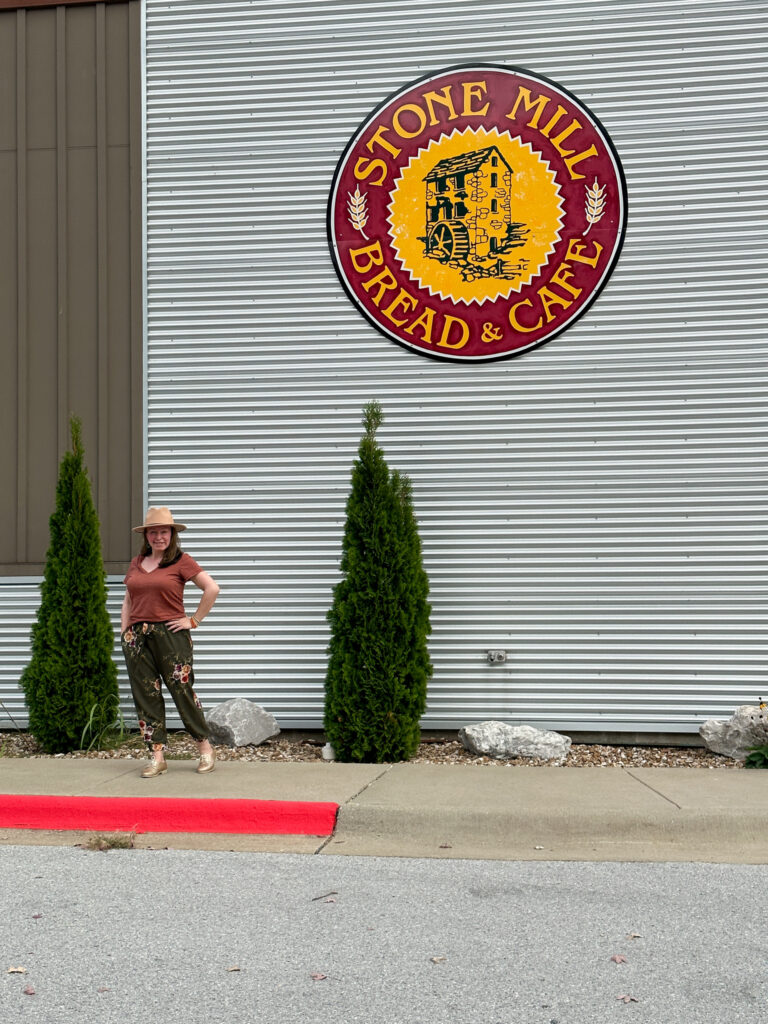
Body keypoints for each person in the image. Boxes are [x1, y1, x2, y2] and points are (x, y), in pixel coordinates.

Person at [120, 507, 220, 778]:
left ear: (172, 534)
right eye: (153, 532)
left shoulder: (181, 561)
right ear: (147, 535)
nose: (158, 537)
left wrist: (194, 620)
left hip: (171, 636)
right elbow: (129, 598)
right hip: (137, 638)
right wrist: (124, 632)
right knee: (146, 696)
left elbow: (212, 588)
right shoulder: (137, 561)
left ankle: (205, 748)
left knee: (182, 691)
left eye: (164, 531)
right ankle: (157, 757)